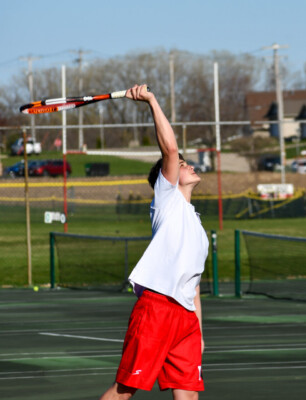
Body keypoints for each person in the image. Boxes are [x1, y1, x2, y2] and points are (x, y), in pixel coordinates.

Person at [100, 84, 209, 400]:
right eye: (183, 165)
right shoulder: (166, 199)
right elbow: (171, 150)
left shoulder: (197, 226)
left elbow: (195, 287)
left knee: (188, 393)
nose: (188, 165)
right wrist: (151, 100)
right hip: (156, 309)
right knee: (126, 390)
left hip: (185, 317)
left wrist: (198, 330)